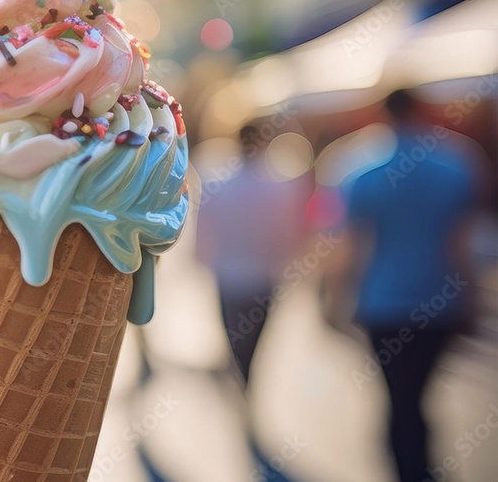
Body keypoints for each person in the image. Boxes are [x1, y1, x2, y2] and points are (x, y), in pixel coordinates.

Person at [341, 89, 477, 482]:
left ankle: (409, 465)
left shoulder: (361, 169)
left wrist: (336, 298)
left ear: (383, 114)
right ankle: (419, 463)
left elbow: (354, 247)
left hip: (382, 304)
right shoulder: (456, 164)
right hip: (438, 299)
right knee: (416, 393)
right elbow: (461, 244)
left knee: (400, 396)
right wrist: (468, 297)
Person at [196, 124, 309, 385]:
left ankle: (241, 385)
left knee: (235, 340)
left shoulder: (219, 185)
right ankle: (246, 383)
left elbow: (204, 234)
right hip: (263, 277)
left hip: (228, 276)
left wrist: (205, 262)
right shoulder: (279, 187)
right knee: (253, 343)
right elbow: (289, 236)